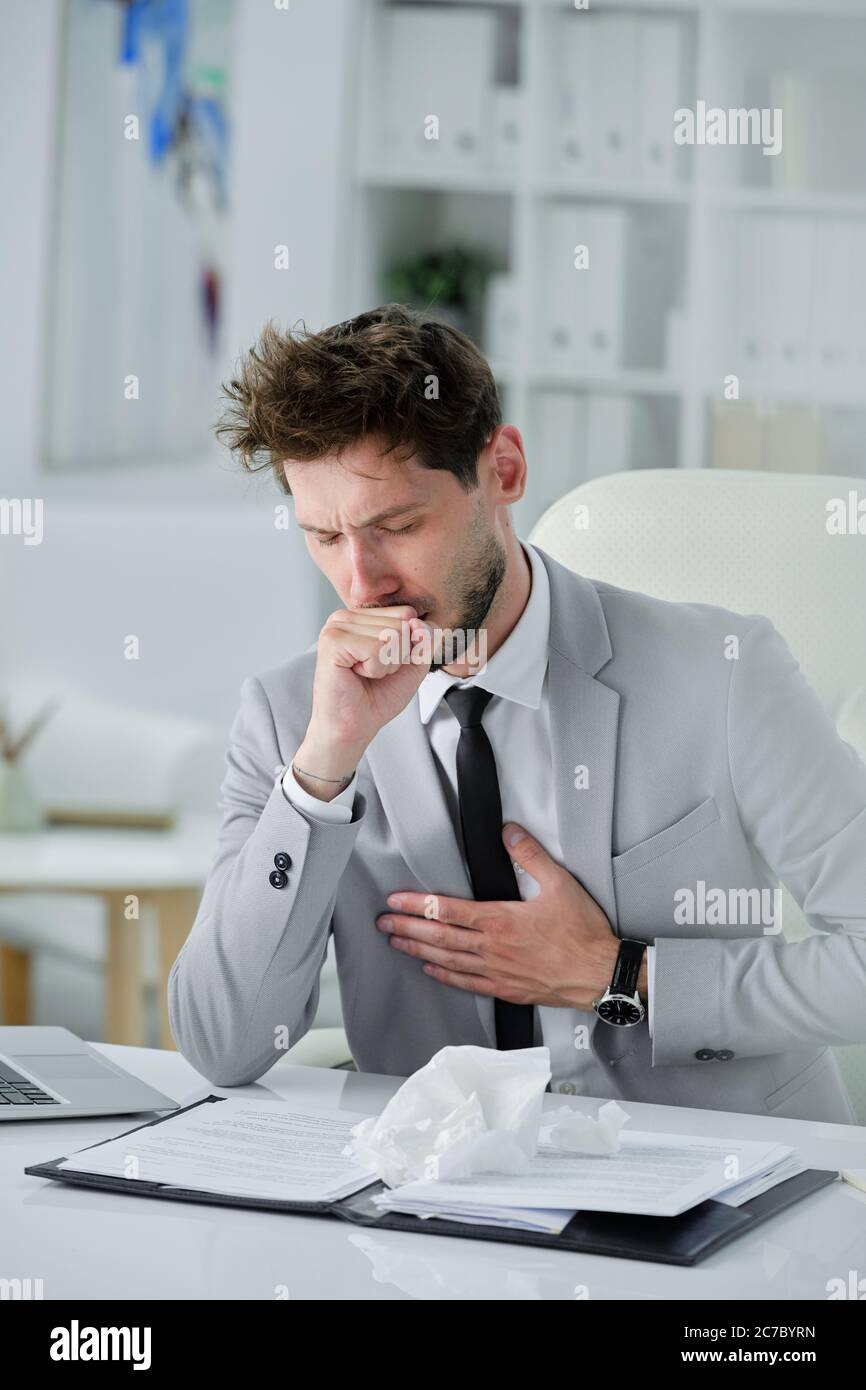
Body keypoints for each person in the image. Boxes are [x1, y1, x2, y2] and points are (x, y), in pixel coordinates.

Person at [168, 304, 866, 1123]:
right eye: (323, 537)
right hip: (440, 1211)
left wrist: (621, 975)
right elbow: (221, 1043)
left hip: (723, 1181)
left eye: (396, 526)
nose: (361, 584)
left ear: (502, 470)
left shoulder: (724, 675)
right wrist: (323, 770)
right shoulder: (291, 721)